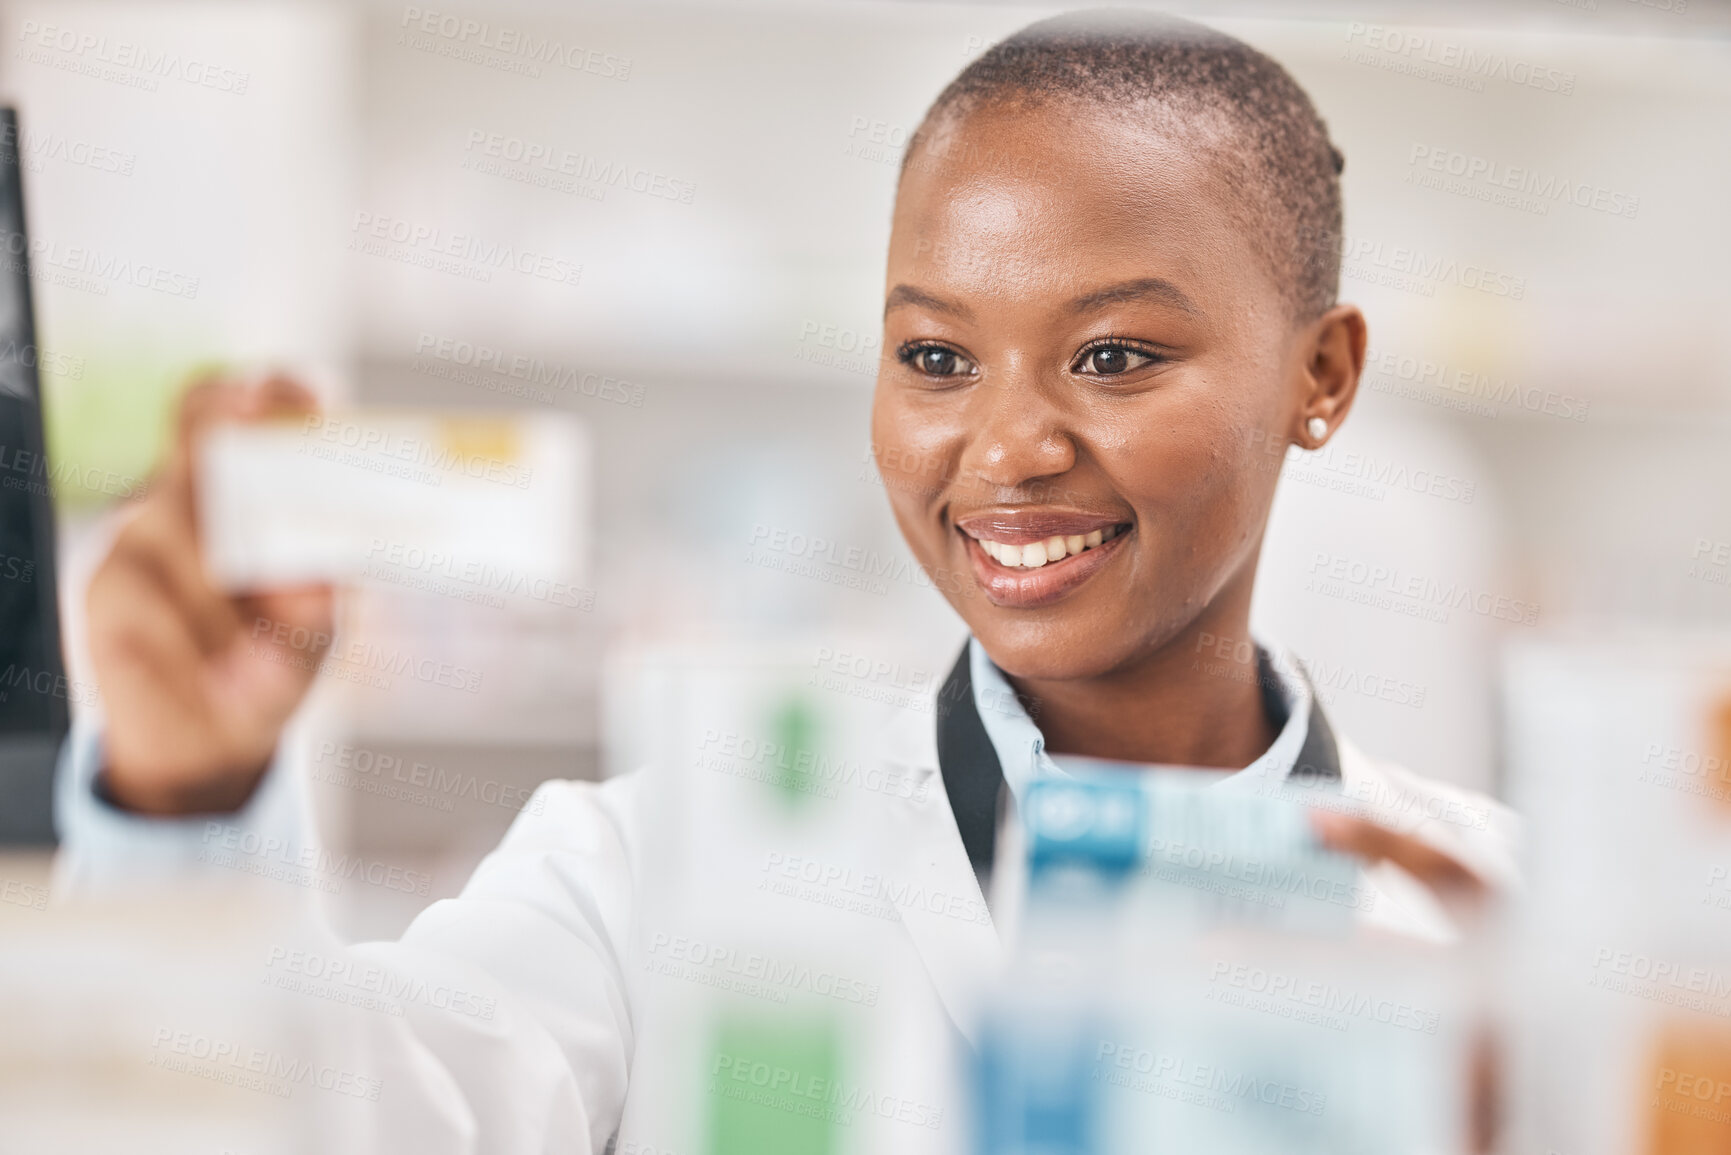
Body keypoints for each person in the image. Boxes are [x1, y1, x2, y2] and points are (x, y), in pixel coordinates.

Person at [56, 11, 1517, 1152]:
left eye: (1115, 355)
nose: (1005, 447)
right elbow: (324, 1118)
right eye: (936, 358)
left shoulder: (1513, 922)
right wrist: (182, 810)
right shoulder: (650, 868)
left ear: (1320, 376)